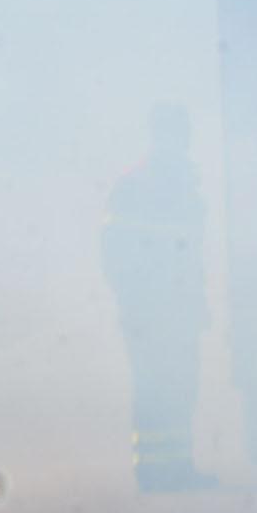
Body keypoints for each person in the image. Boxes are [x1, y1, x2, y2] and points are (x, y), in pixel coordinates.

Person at [101, 103, 213, 492]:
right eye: (176, 132)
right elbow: (114, 252)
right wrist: (136, 303)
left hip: (178, 309)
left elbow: (189, 255)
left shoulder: (183, 185)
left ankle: (177, 466)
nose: (182, 140)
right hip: (150, 312)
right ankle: (152, 470)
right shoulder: (137, 185)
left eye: (183, 133)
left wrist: (196, 303)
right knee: (156, 389)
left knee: (180, 388)